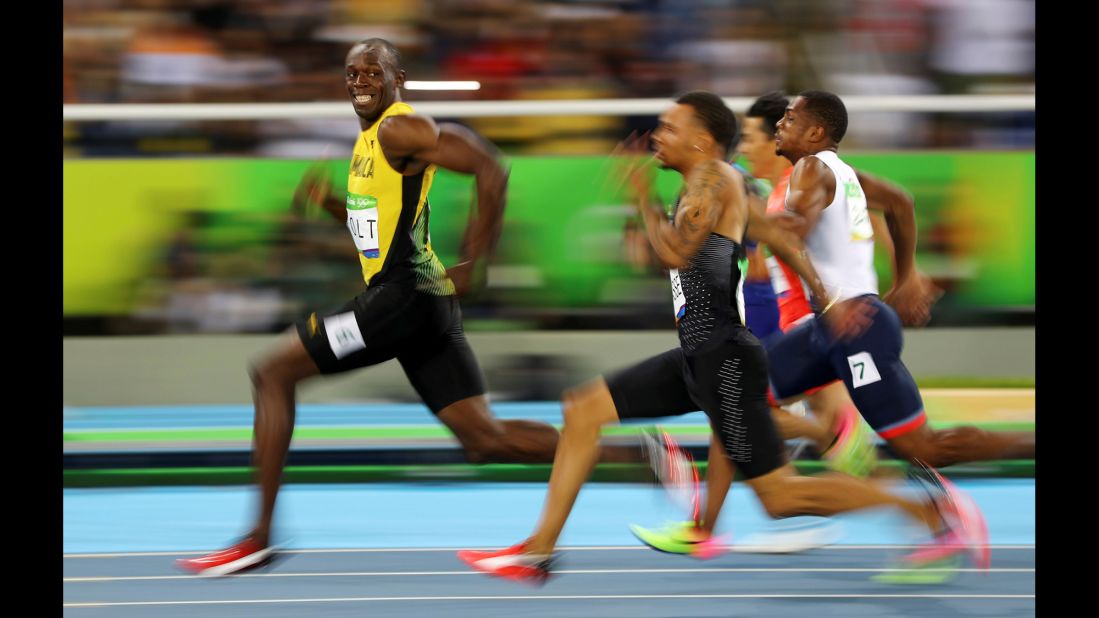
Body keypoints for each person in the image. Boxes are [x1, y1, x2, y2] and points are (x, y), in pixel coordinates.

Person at [457, 91, 983, 583]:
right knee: (582, 410)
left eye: (668, 127)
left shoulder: (716, 181)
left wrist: (639, 198)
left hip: (725, 360)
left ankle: (922, 509)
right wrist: (826, 297)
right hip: (697, 354)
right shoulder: (708, 188)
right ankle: (538, 551)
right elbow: (779, 238)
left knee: (781, 498)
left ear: (702, 141)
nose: (656, 135)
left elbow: (673, 253)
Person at [176, 38, 567, 576]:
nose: (360, 81)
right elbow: (381, 229)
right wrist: (334, 205)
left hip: (400, 299)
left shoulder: (397, 128)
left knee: (271, 374)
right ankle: (625, 451)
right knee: (483, 439)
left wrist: (478, 265)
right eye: (352, 74)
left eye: (372, 72)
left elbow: (491, 169)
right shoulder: (367, 143)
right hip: (422, 304)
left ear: (397, 77)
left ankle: (258, 537)